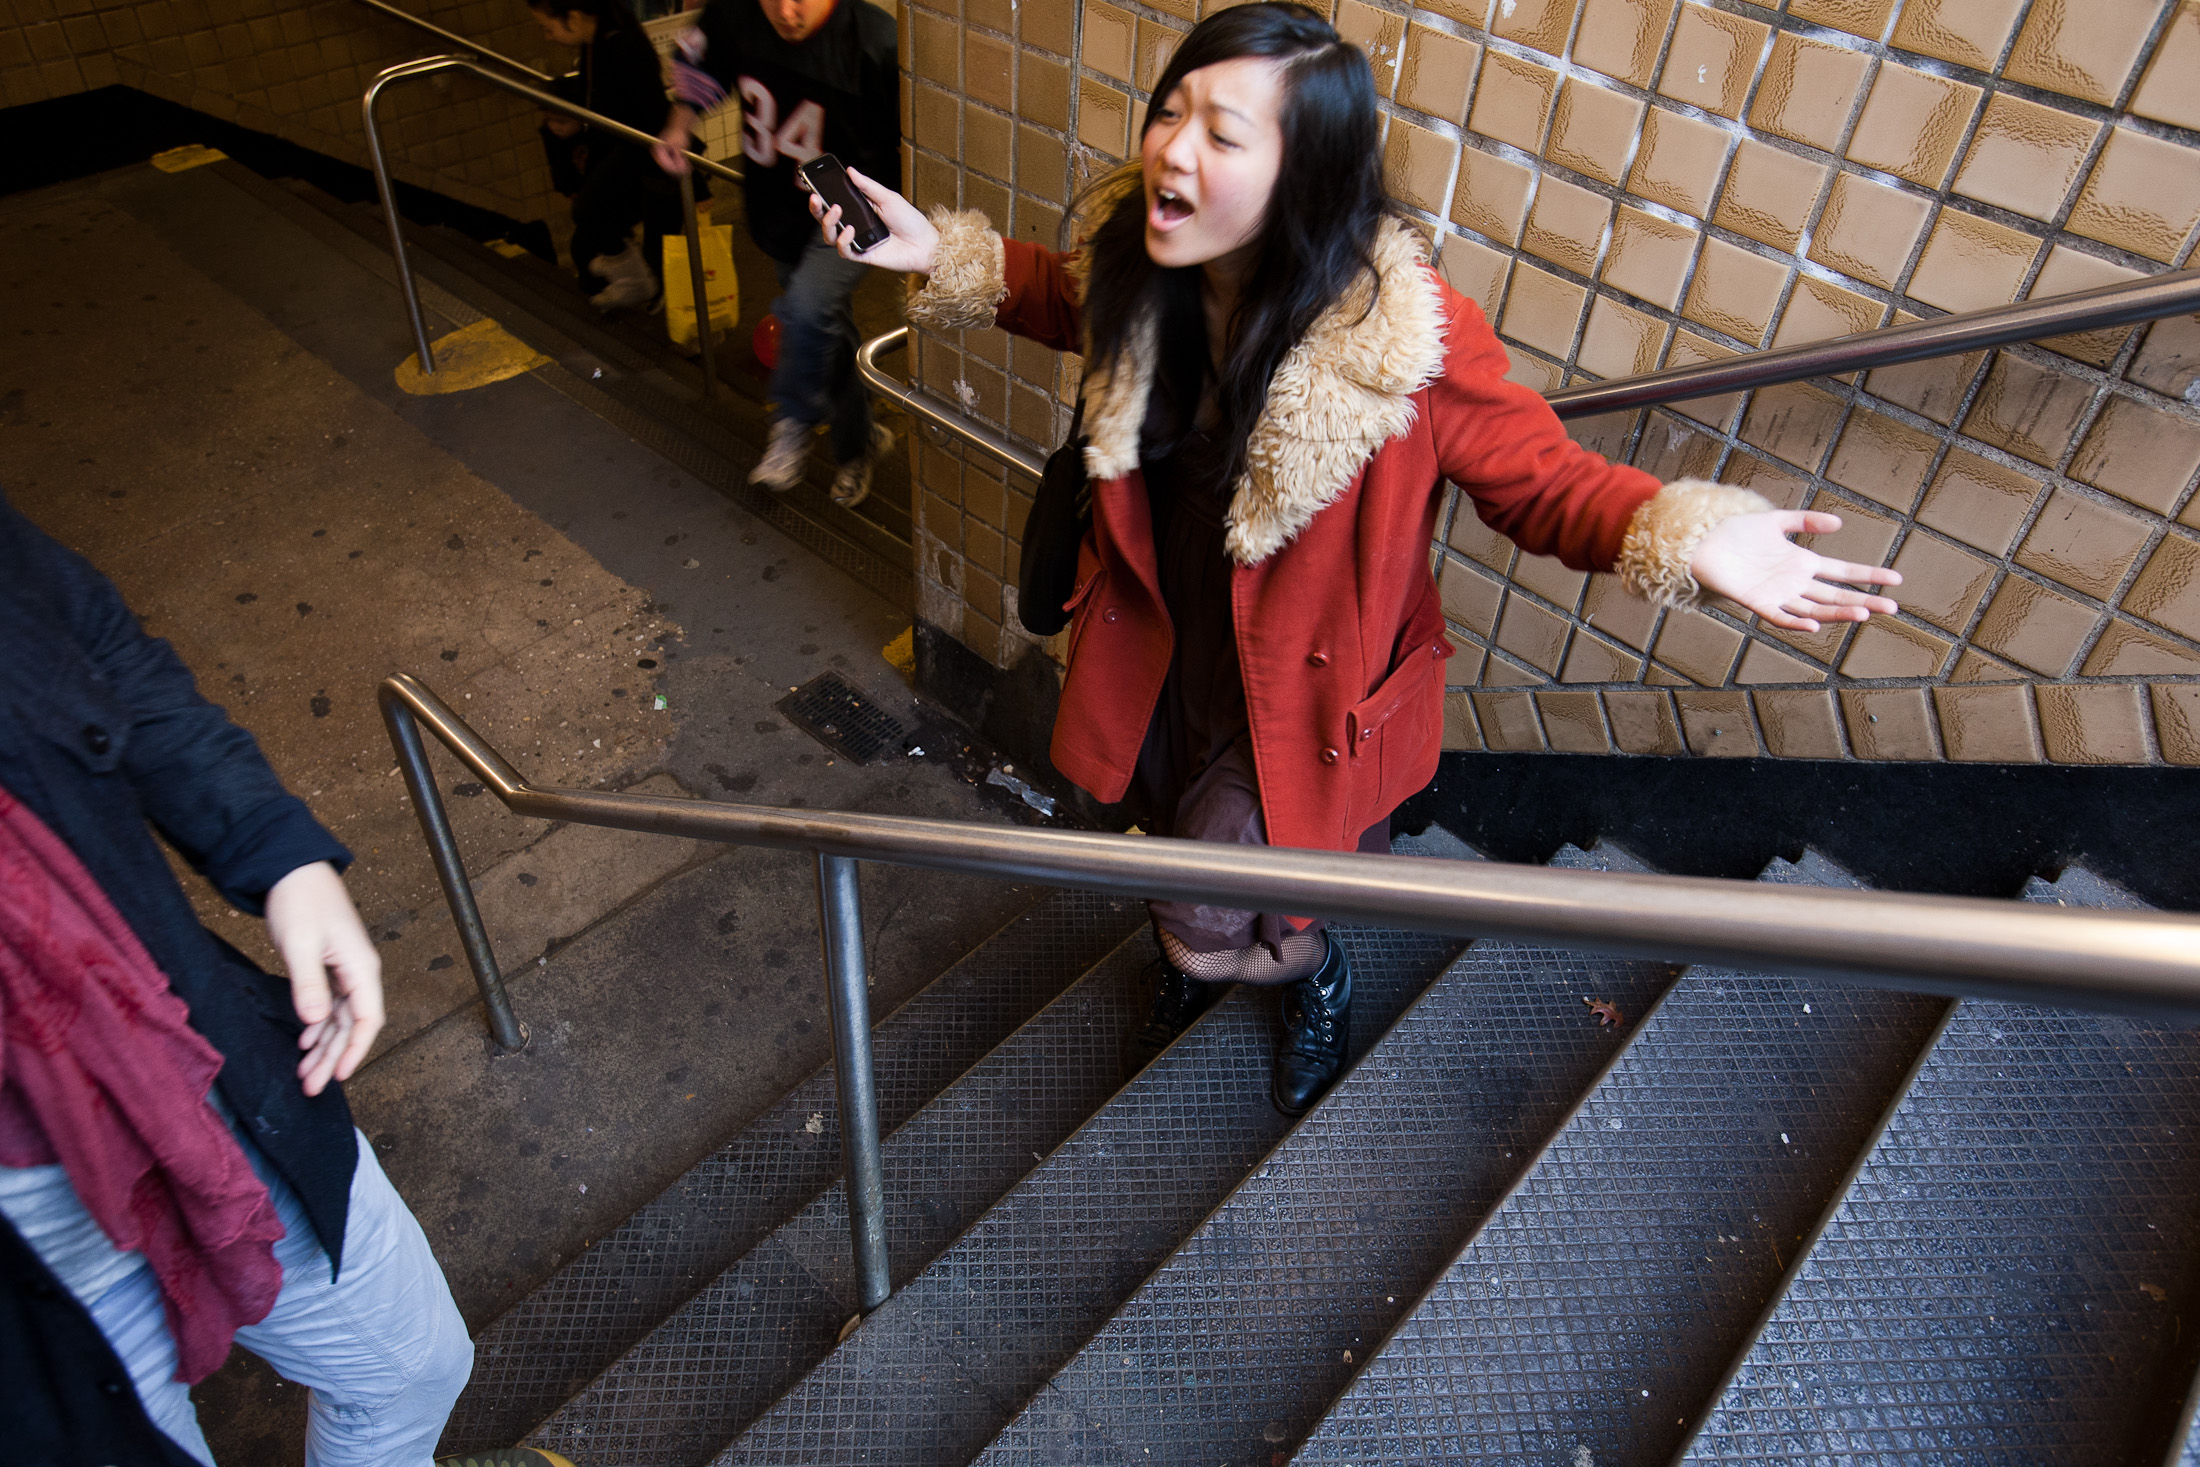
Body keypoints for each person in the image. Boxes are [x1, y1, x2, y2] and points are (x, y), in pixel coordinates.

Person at [814, 3, 1901, 1117]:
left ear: (1309, 175)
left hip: (1301, 684)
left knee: (1203, 916)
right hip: (1169, 637)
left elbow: (1540, 480)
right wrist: (936, 251)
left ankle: (1305, 970)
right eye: (1171, 110)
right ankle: (1251, 951)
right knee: (1171, 848)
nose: (1172, 148)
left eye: (1223, 133)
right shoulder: (1152, 275)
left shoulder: (1407, 340)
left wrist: (1680, 528)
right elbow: (1064, 299)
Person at [0, 491, 513, 1466]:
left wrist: (277, 853)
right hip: (28, 1233)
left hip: (189, 1071)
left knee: (409, 1362)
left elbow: (91, 639)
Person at [653, 0, 899, 508]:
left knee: (807, 309)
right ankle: (860, 442)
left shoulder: (876, 43)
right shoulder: (735, 16)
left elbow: (914, 141)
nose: (787, 12)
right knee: (825, 329)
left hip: (850, 214)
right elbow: (702, 63)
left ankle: (792, 418)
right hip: (777, 208)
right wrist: (680, 123)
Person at [530, 0, 690, 313]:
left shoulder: (619, 43)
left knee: (604, 215)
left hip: (647, 154)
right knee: (592, 215)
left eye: (548, 28)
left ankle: (641, 285)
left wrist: (696, 184)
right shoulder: (600, 37)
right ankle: (633, 277)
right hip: (631, 151)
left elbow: (654, 110)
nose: (547, 37)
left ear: (574, 17)